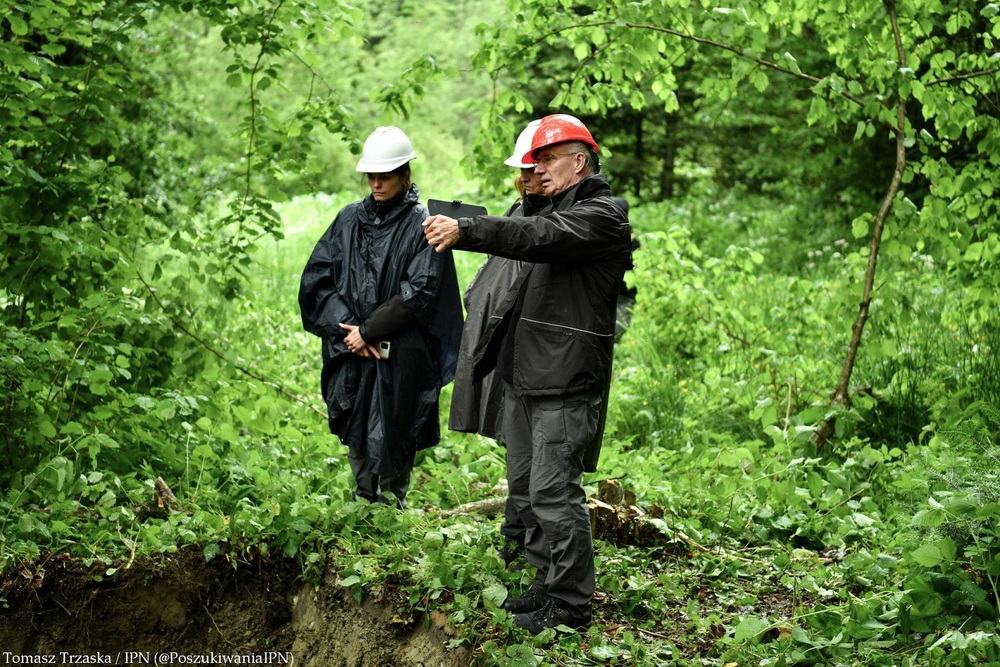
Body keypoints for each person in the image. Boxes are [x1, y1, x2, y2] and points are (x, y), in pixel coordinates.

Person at [423, 114, 633, 633]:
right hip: (526, 377)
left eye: (546, 160)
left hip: (565, 380)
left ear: (579, 162)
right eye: (533, 162)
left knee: (554, 492)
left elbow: (538, 236)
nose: (536, 170)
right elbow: (528, 233)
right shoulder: (552, 208)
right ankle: (546, 581)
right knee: (526, 487)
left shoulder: (601, 216)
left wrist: (467, 229)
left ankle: (571, 606)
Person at [299, 126, 463, 509]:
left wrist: (369, 330)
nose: (376, 183)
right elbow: (319, 280)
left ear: (405, 175)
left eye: (385, 176)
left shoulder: (424, 224)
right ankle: (362, 506)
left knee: (396, 426)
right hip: (352, 349)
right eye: (371, 175)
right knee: (356, 422)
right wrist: (350, 331)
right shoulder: (348, 220)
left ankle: (390, 511)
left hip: (401, 352)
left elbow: (420, 289)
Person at [447, 120, 545, 568]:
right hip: (505, 354)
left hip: (537, 361)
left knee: (536, 463)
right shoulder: (518, 209)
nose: (526, 179)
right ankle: (515, 539)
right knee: (517, 455)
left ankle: (529, 548)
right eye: (521, 171)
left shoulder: (555, 221)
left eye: (533, 170)